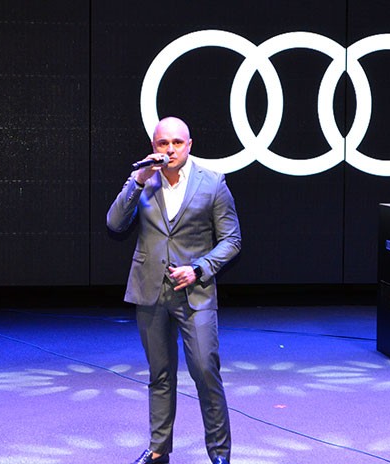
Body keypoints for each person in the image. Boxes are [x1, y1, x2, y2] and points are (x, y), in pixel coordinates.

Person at [107, 117, 241, 464]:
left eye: (177, 143)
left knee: (205, 371)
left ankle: (219, 455)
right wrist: (138, 180)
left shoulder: (212, 183)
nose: (170, 150)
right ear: (154, 146)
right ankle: (158, 449)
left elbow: (232, 240)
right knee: (160, 375)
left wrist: (198, 268)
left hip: (195, 293)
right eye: (162, 143)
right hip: (150, 291)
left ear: (189, 145)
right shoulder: (143, 180)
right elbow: (114, 223)